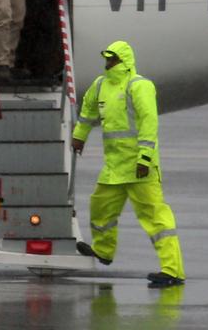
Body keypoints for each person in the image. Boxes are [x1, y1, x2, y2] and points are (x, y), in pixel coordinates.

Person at [72, 41, 185, 288]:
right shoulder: (100, 85)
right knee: (100, 208)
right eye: (107, 59)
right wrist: (79, 136)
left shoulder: (139, 86)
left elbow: (148, 123)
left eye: (112, 59)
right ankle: (103, 251)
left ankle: (172, 271)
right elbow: (88, 111)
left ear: (123, 61)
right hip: (114, 167)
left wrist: (144, 158)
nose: (107, 63)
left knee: (156, 219)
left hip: (139, 168)